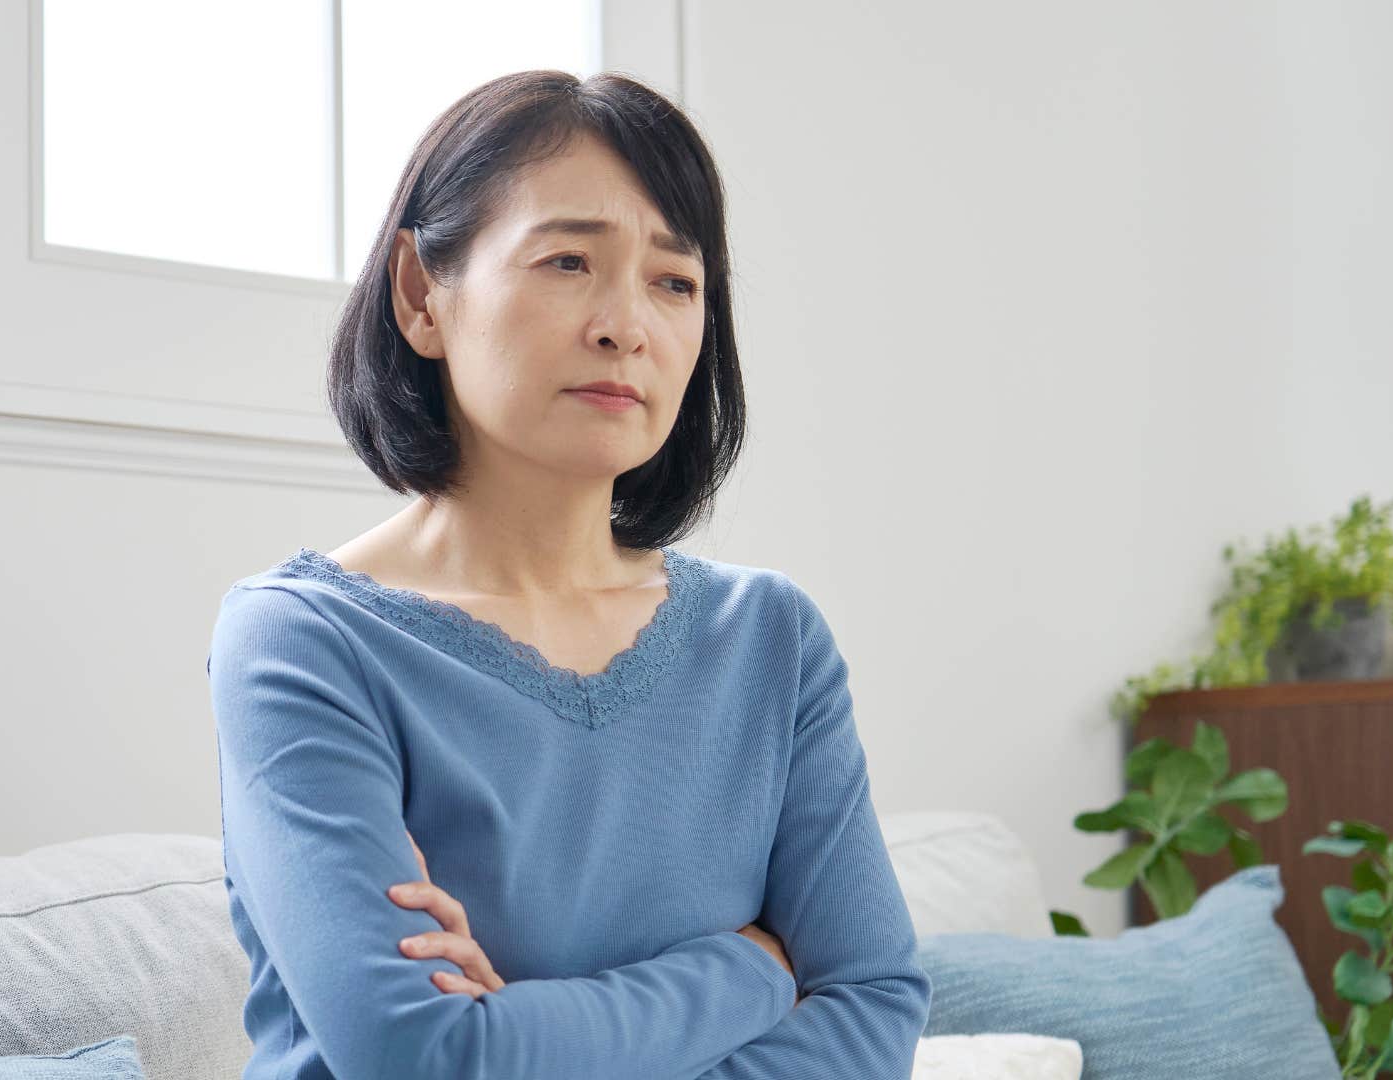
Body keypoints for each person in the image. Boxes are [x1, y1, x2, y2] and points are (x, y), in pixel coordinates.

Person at [207, 69, 931, 1080]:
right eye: (566, 261)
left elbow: (873, 1007)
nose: (625, 325)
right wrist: (752, 969)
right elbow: (426, 1057)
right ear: (422, 294)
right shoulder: (304, 644)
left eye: (675, 282)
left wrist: (534, 1033)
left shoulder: (771, 639)